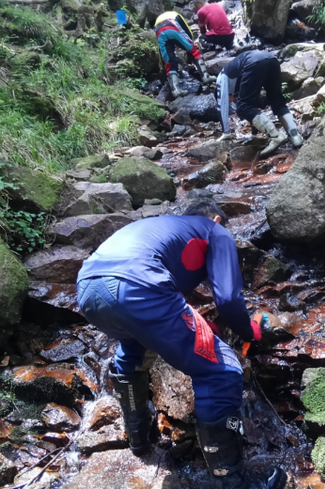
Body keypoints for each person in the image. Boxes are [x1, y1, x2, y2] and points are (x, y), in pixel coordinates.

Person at [76, 202, 287, 489]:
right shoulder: (215, 231)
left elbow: (163, 313)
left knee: (133, 348)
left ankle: (138, 437)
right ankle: (232, 482)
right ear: (215, 218)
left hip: (88, 289)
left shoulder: (163, 227)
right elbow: (228, 300)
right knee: (220, 370)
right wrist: (247, 330)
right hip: (137, 284)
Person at [216, 50, 303, 157]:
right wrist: (254, 134)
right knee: (277, 101)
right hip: (272, 59)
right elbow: (254, 105)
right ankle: (295, 137)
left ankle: (276, 137)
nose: (232, 100)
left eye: (230, 99)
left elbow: (221, 106)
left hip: (254, 62)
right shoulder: (236, 79)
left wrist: (226, 133)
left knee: (242, 107)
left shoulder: (221, 78)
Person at [154, 11, 216, 99]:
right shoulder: (176, 15)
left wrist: (164, 64)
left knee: (170, 62)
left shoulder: (157, 22)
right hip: (172, 25)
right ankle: (206, 76)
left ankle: (175, 90)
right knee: (195, 50)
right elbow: (187, 31)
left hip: (159, 31)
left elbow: (161, 49)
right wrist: (191, 46)